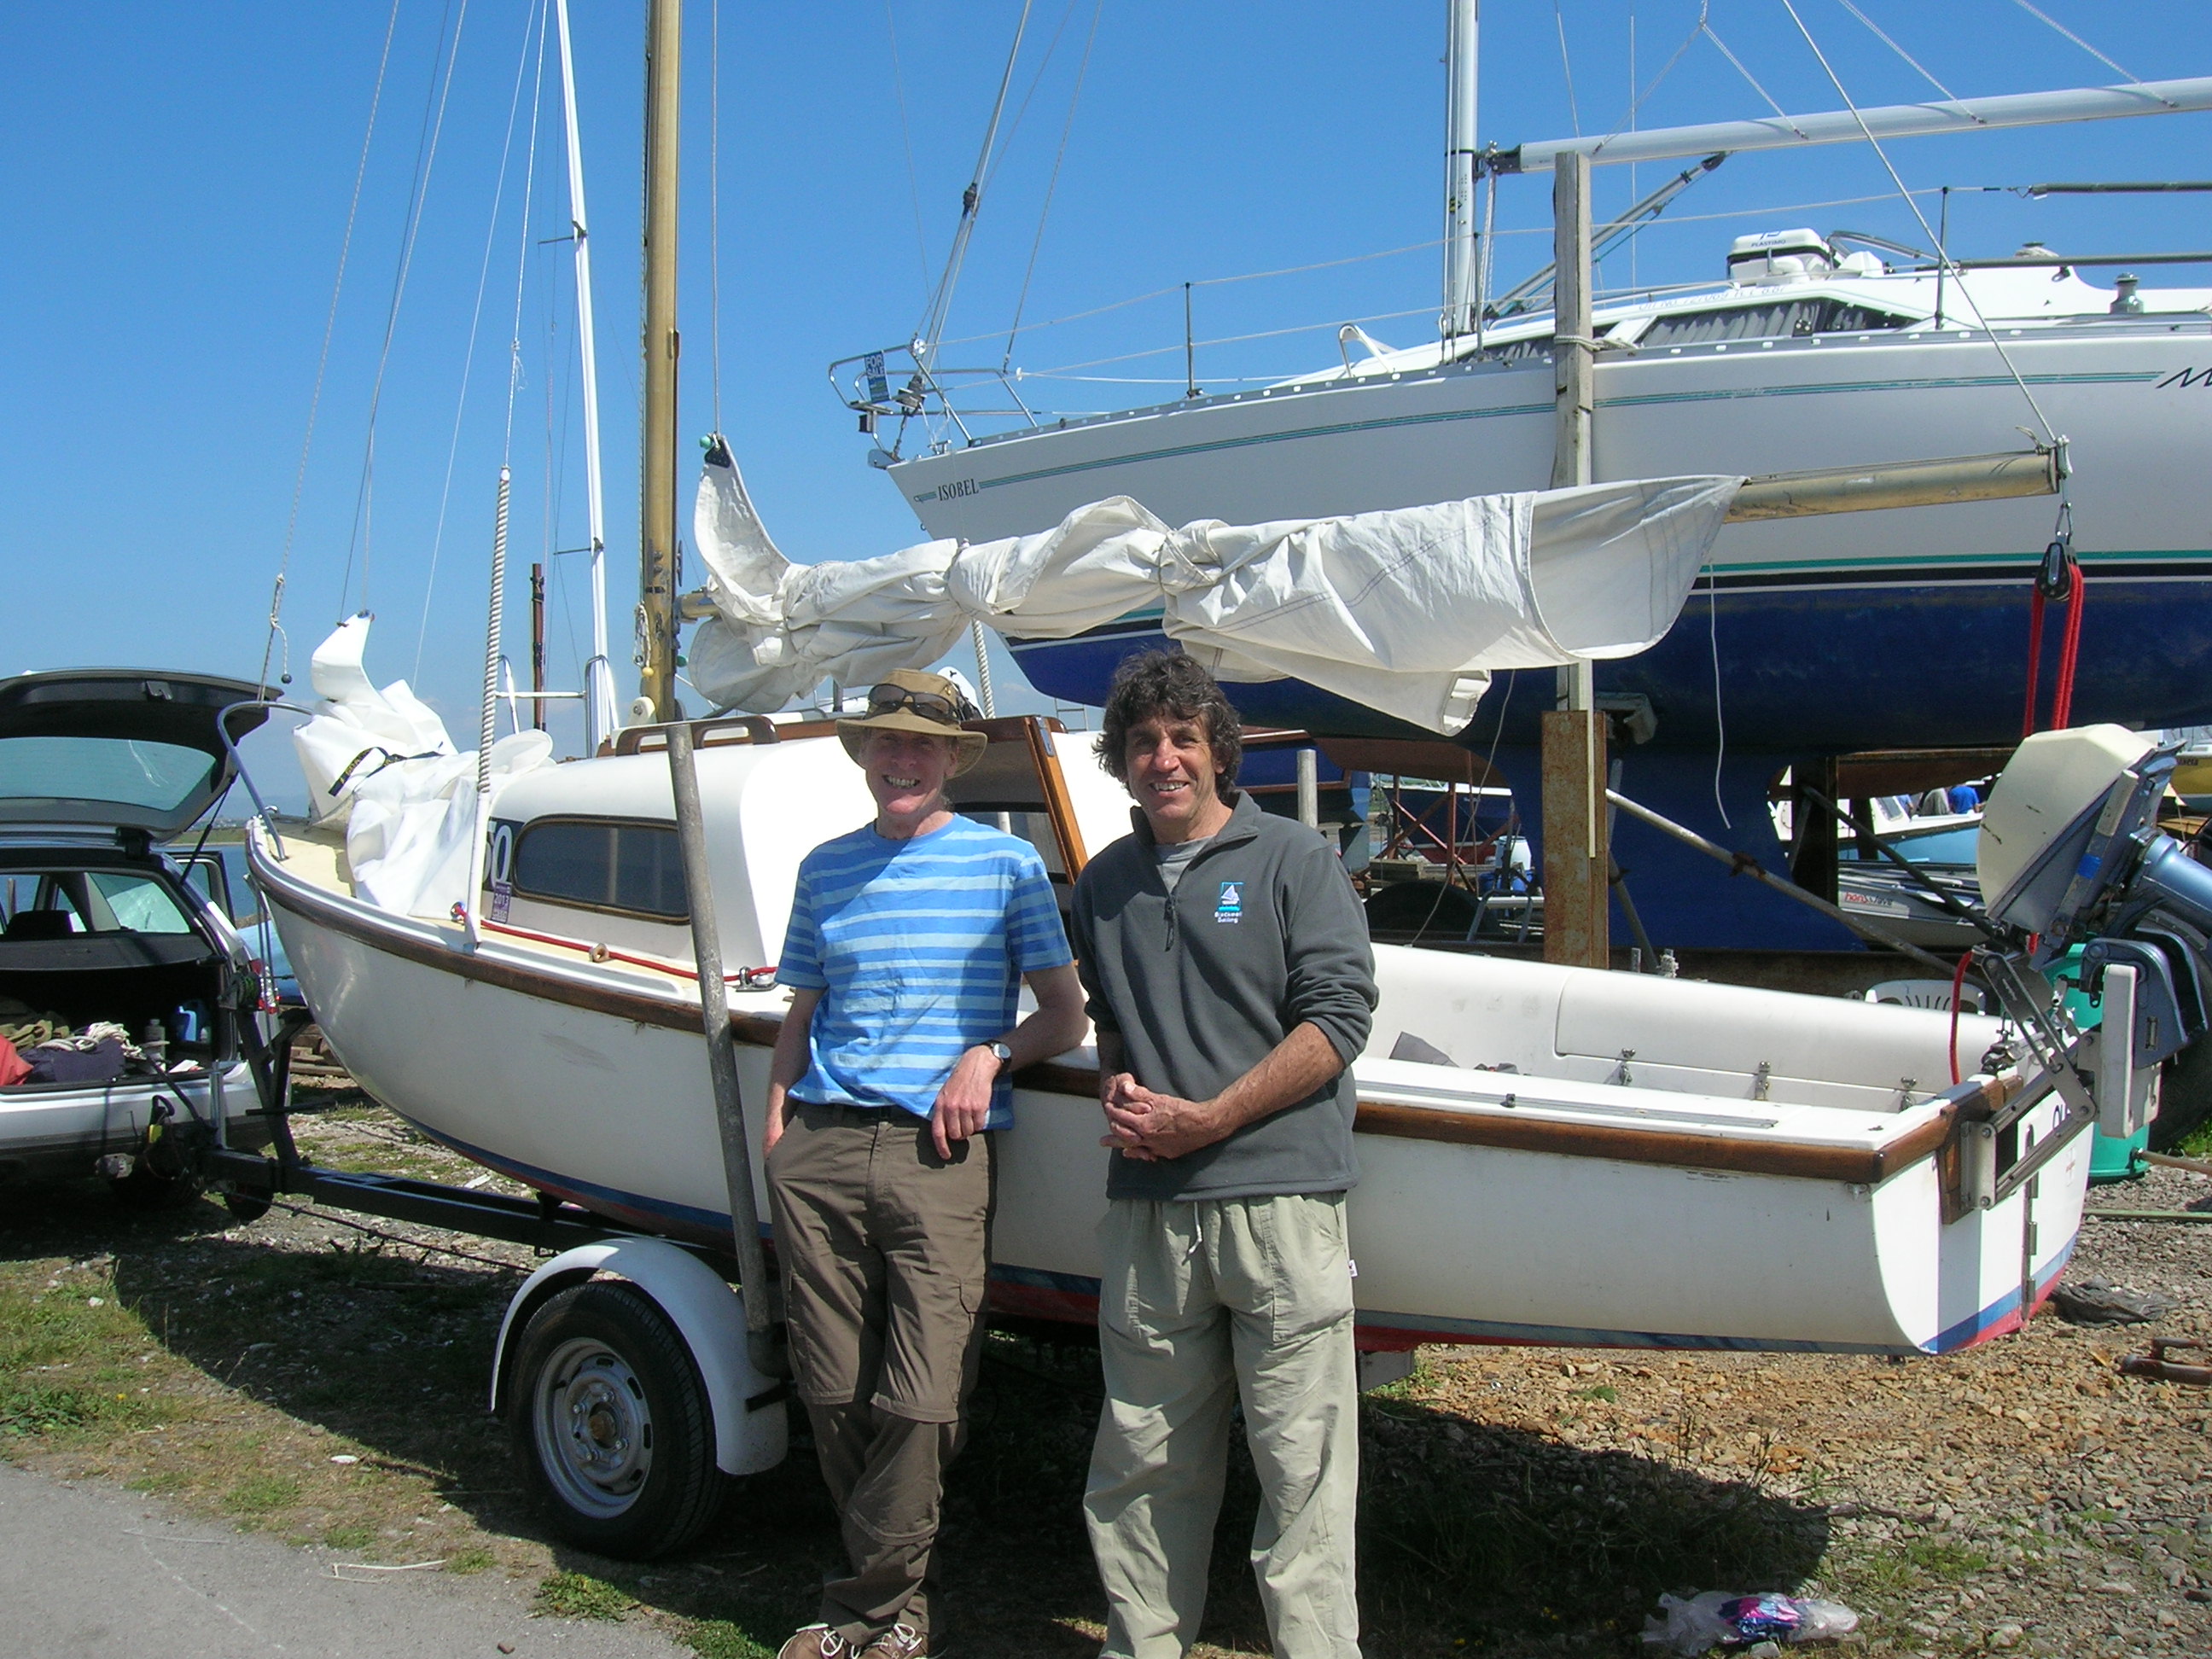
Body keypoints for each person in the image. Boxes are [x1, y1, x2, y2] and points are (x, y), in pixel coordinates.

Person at [765, 670, 1088, 1659]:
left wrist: (989, 1055)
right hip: (819, 1149)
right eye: (887, 741)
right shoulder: (824, 869)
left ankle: (874, 1607)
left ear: (952, 760)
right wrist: (775, 1130)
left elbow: (1066, 1016)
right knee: (830, 1389)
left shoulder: (1007, 866)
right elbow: (803, 1011)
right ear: (864, 754)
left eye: (922, 745)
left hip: (939, 1156)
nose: (902, 759)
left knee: (921, 1399)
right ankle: (896, 1604)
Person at [1070, 651, 1378, 1659]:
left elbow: (1338, 1020)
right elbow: (1112, 1020)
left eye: (1183, 739)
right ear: (1121, 759)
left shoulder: (1295, 859)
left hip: (1281, 1207)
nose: (1163, 759)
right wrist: (1116, 1082)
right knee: (1141, 1464)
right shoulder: (1103, 885)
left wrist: (1208, 1120)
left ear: (1219, 753)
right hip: (1151, 1212)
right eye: (1143, 742)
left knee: (1302, 1473)